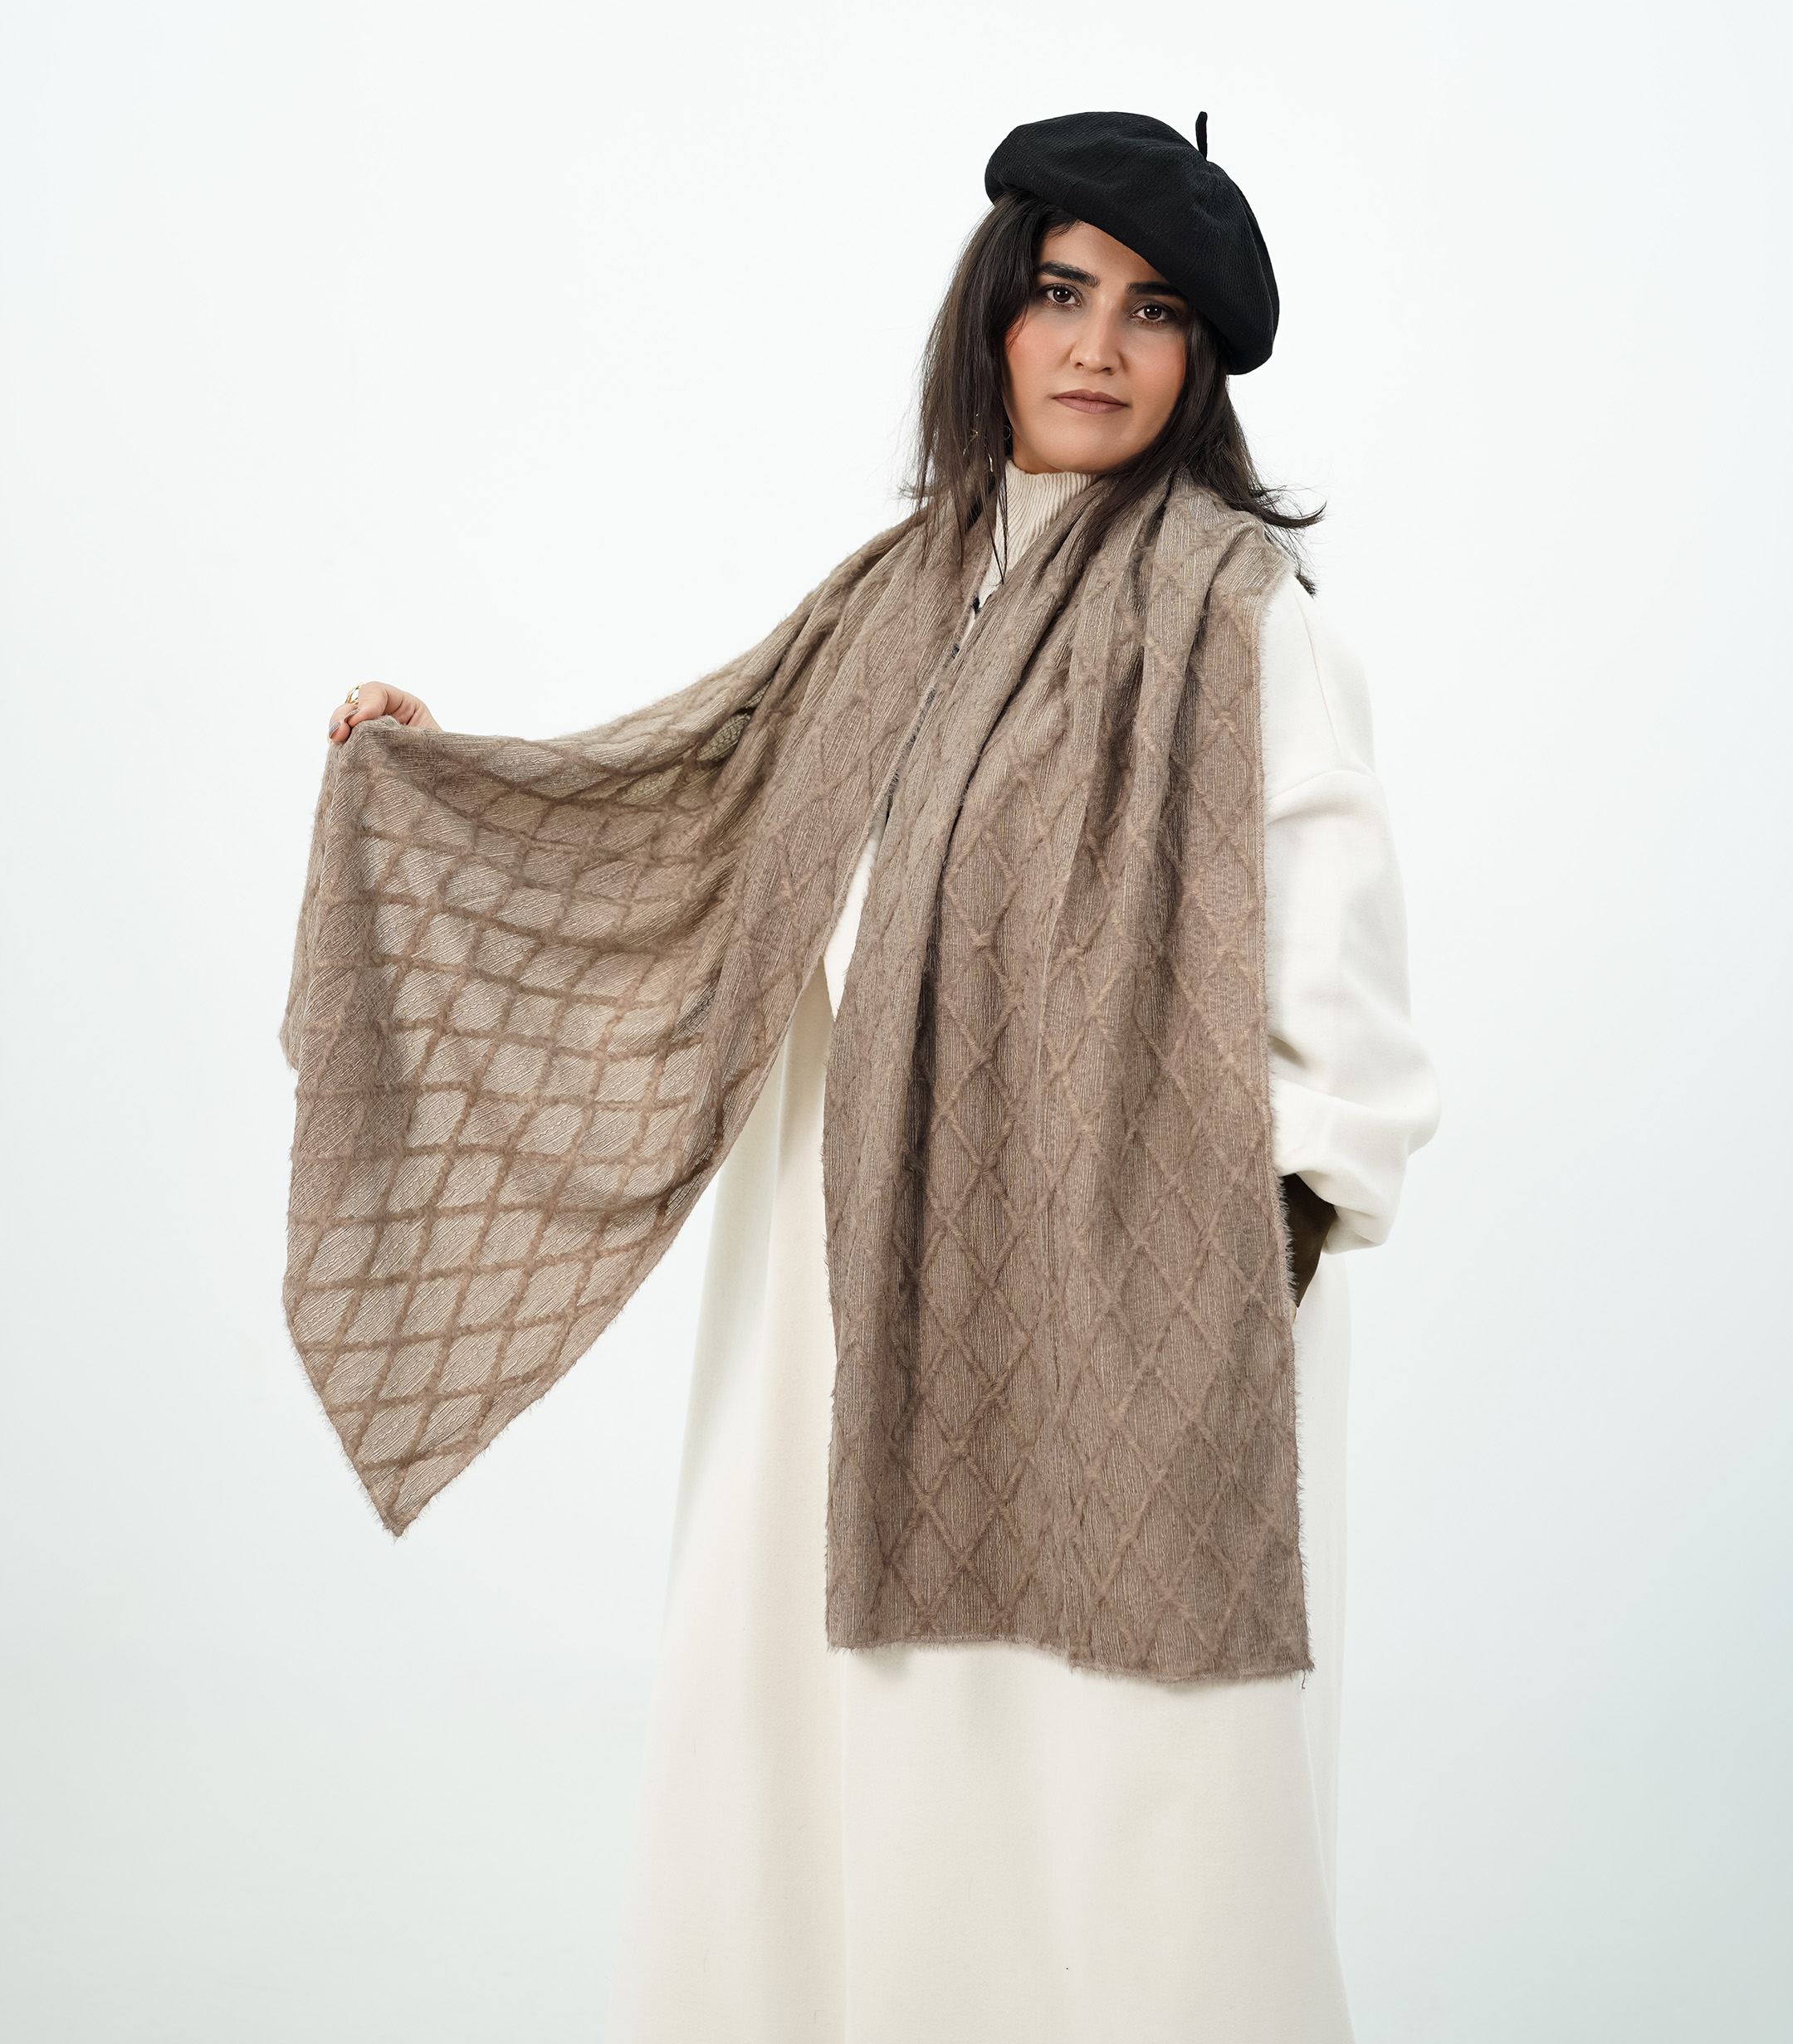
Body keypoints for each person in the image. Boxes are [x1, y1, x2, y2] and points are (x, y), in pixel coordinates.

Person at [300, 110, 1439, 2044]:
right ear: (993, 317)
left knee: (1129, 1792)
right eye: (1062, 293)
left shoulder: (1246, 622)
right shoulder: (897, 596)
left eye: (1154, 312)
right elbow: (704, 825)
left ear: (1203, 362)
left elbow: (1350, 1045)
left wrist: (1205, 1291)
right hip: (852, 1304)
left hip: (1131, 1318)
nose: (1098, 346)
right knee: (837, 1771)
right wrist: (443, 778)